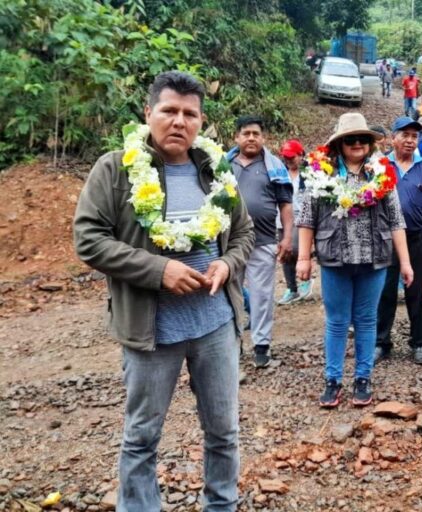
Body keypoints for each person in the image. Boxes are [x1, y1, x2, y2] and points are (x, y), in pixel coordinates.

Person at [73, 71, 255, 511]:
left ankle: (221, 505)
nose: (179, 121)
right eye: (169, 110)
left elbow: (244, 233)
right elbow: (89, 239)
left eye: (190, 114)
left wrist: (227, 264)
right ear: (148, 112)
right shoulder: (116, 169)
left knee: (224, 432)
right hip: (152, 332)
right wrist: (159, 270)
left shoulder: (216, 170)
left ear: (201, 121)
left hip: (215, 325)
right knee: (141, 437)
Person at [296, 113, 413, 408]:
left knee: (366, 319)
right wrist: (303, 258)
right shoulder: (320, 174)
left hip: (374, 259)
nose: (357, 143)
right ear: (339, 143)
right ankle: (333, 379)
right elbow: (306, 218)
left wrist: (406, 263)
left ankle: (363, 377)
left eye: (363, 138)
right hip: (334, 259)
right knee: (336, 321)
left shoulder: (382, 173)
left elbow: (396, 220)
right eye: (350, 139)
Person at [376, 117, 422, 365]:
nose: (410, 140)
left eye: (414, 136)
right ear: (392, 138)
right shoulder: (380, 166)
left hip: (417, 236)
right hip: (385, 238)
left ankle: (420, 342)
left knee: (417, 290)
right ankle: (381, 342)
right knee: (384, 291)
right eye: (404, 135)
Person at [227, 116, 293, 368]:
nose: (251, 138)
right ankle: (232, 344)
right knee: (230, 294)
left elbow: (285, 204)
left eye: (256, 133)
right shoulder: (223, 165)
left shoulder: (273, 167)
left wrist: (287, 236)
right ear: (237, 137)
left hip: (263, 239)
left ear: (263, 138)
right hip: (229, 242)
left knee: (261, 294)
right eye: (246, 133)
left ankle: (262, 346)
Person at [276, 139, 313, 305]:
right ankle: (291, 288)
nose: (289, 160)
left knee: (298, 248)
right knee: (284, 253)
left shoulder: (310, 172)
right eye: (286, 157)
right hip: (283, 218)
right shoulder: (280, 173)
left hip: (303, 218)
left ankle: (305, 279)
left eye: (292, 157)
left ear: (301, 155)